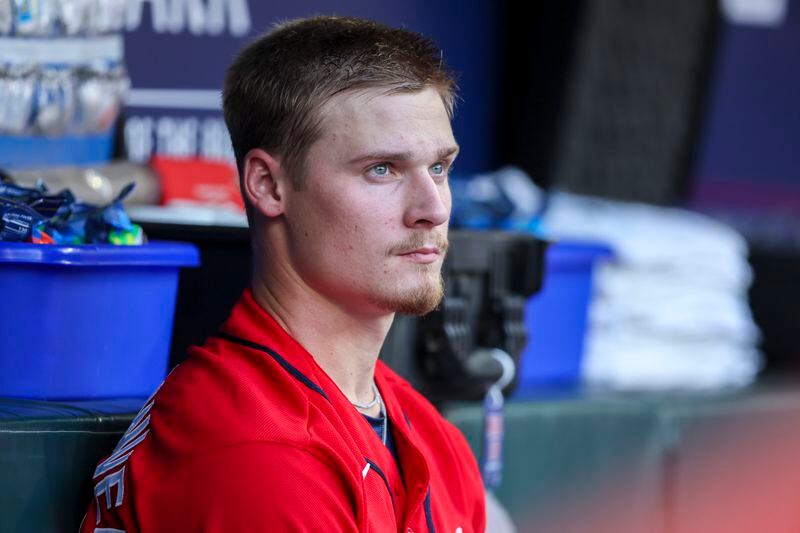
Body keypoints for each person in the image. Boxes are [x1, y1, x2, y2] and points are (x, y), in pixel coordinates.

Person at [82, 15, 486, 532]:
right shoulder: (253, 449)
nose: (432, 208)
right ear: (269, 186)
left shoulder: (429, 435)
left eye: (439, 168)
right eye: (381, 169)